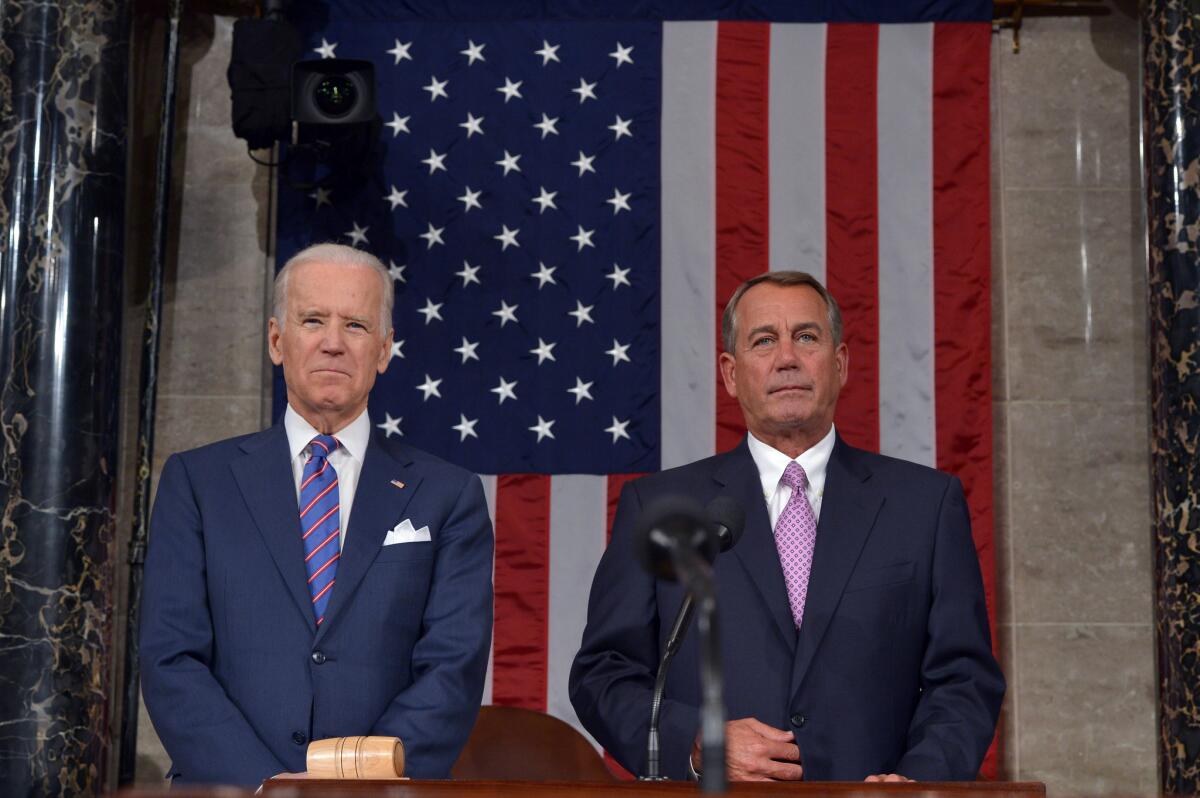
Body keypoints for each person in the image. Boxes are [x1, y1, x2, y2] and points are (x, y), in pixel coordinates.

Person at [569, 271, 1004, 782]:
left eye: (806, 336)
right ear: (731, 374)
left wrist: (919, 783)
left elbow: (965, 678)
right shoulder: (658, 506)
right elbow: (604, 674)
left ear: (839, 363)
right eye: (763, 341)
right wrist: (696, 742)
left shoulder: (926, 505)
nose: (787, 358)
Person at [140, 243, 493, 786]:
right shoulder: (198, 483)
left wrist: (357, 786)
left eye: (355, 324)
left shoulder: (449, 495)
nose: (333, 343)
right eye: (313, 320)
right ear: (277, 341)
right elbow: (171, 661)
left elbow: (452, 670)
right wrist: (267, 788)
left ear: (383, 349)